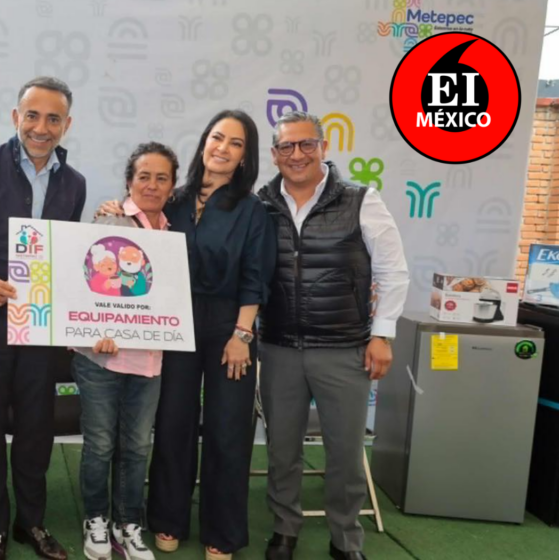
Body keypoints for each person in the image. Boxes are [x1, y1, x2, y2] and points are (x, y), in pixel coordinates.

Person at [256, 111, 409, 560]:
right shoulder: (260, 204)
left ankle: (345, 539)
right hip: (279, 347)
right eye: (287, 146)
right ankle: (284, 530)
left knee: (344, 453)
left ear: (324, 147)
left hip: (344, 350)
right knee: (282, 451)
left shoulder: (361, 200)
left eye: (307, 144)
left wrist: (382, 335)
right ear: (274, 154)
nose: (297, 154)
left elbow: (393, 271)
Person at [0, 76, 86, 560]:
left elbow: (67, 254)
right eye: (32, 115)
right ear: (15, 117)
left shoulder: (74, 184)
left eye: (53, 119)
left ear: (67, 124)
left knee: (36, 428)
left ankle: (31, 523)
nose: (41, 127)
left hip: (41, 323)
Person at [145, 110, 275, 560]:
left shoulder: (253, 210)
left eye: (236, 143)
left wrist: (242, 335)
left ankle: (222, 531)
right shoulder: (174, 200)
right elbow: (140, 237)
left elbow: (256, 277)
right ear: (204, 142)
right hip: (175, 323)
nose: (223, 148)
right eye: (218, 137)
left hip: (230, 325)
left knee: (227, 428)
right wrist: (113, 211)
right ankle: (167, 519)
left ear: (245, 157)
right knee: (173, 422)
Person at [75, 143, 178, 560]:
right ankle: (96, 519)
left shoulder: (173, 233)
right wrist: (95, 330)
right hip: (101, 357)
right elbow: (86, 285)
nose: (152, 185)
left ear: (173, 186)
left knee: (136, 447)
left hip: (149, 359)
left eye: (161, 178)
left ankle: (128, 523)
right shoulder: (109, 219)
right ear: (129, 181)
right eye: (143, 177)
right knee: (100, 444)